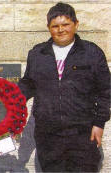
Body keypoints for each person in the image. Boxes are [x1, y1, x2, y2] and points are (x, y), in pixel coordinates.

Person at [18, 2, 110, 172]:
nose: (61, 30)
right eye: (55, 26)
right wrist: (7, 98)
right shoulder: (38, 54)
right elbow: (28, 84)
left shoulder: (92, 53)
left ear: (76, 24)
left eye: (66, 24)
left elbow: (106, 91)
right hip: (48, 136)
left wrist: (99, 123)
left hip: (82, 133)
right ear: (49, 28)